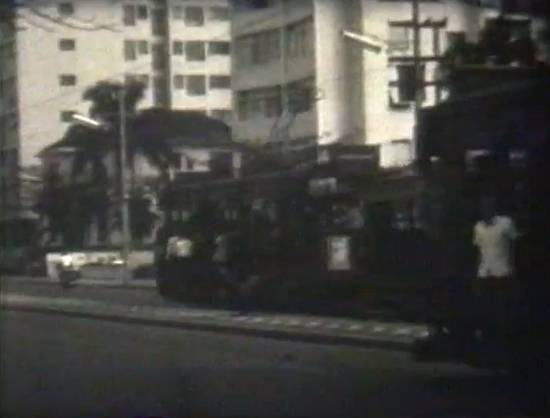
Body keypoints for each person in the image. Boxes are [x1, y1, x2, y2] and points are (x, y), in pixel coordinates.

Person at [472, 195, 519, 337]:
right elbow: (479, 250)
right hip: (484, 271)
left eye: (488, 206)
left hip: (502, 270)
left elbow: (513, 245)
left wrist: (512, 265)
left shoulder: (506, 223)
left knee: (501, 305)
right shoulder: (478, 227)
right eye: (483, 206)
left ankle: (503, 334)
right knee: (484, 305)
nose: (486, 209)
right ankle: (486, 332)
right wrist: (477, 270)